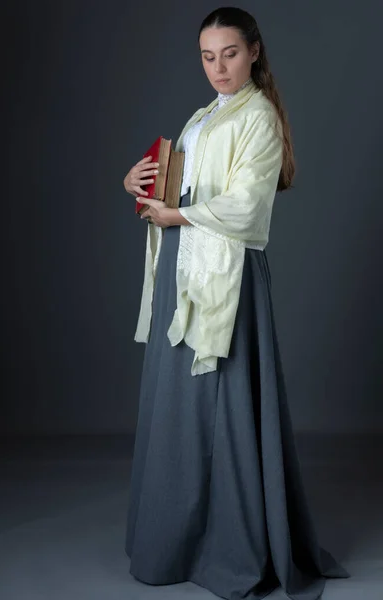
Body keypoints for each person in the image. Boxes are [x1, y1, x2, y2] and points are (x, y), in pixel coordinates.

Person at [123, 7, 350, 600]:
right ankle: (176, 541)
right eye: (206, 56)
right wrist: (143, 186)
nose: (217, 67)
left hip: (225, 274)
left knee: (222, 405)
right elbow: (187, 187)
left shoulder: (259, 117)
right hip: (183, 263)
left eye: (228, 53)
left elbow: (248, 206)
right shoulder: (205, 115)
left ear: (253, 52)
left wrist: (179, 213)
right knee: (180, 405)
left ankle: (230, 545)